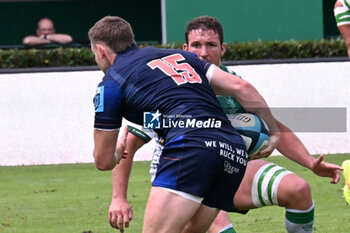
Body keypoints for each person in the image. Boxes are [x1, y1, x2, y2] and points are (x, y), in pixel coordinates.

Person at [107, 16, 343, 233]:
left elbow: (275, 127)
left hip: (231, 168)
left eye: (210, 45)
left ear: (223, 49)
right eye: (196, 45)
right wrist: (119, 198)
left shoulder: (235, 86)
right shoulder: (168, 91)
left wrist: (311, 164)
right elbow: (129, 141)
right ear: (185, 50)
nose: (203, 52)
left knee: (298, 190)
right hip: (186, 173)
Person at [89, 16, 280, 233]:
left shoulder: (110, 84)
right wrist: (273, 131)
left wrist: (118, 151)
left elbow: (103, 161)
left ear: (101, 50)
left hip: (190, 147)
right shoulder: (179, 56)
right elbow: (241, 87)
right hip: (233, 151)